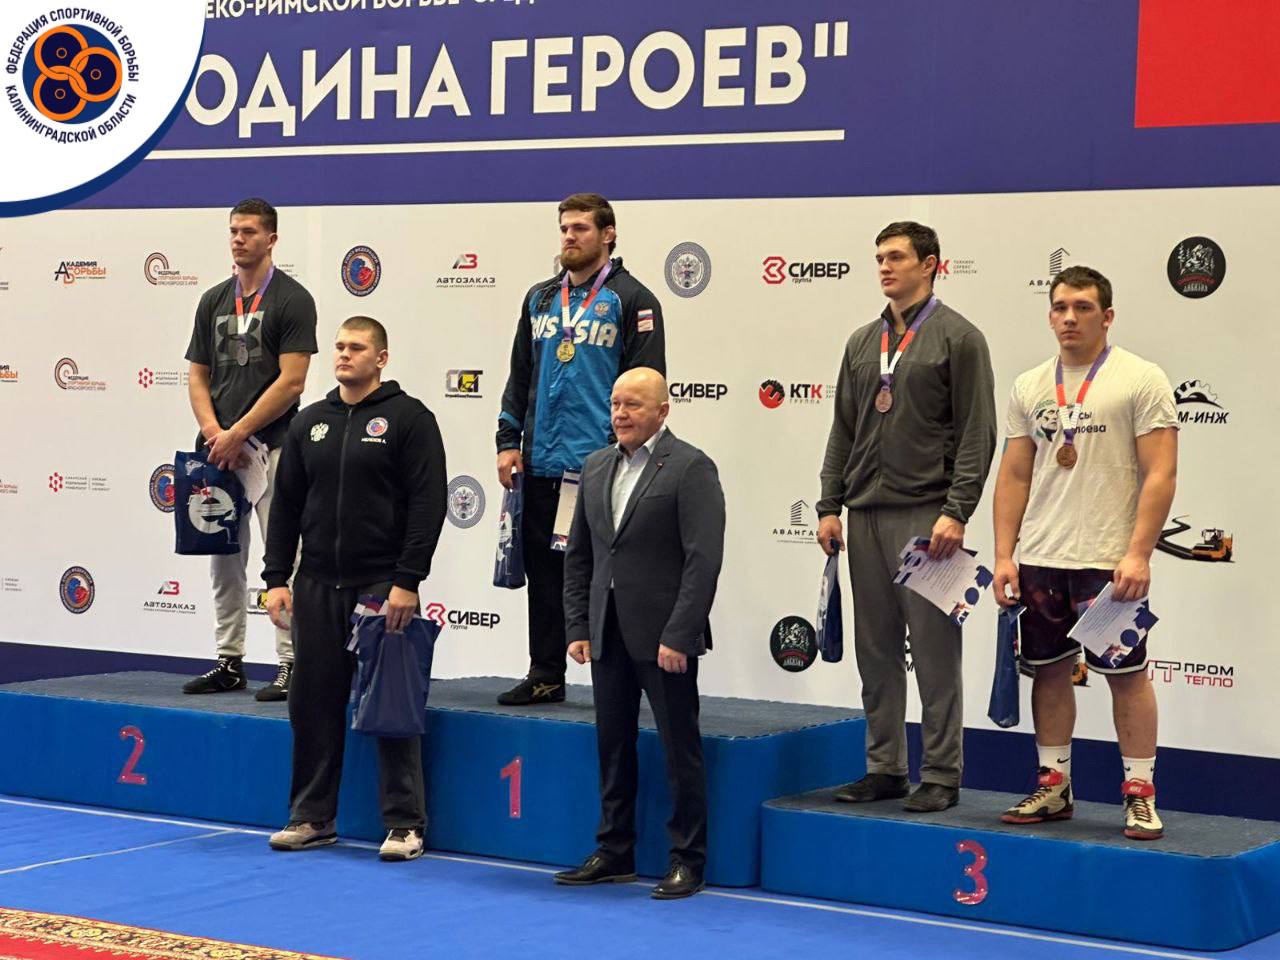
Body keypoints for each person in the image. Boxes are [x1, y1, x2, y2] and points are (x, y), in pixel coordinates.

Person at [817, 221, 996, 812]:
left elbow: (977, 433)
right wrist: (829, 503)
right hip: (864, 511)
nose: (885, 268)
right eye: (879, 258)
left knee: (935, 653)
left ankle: (941, 773)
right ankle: (885, 767)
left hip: (927, 516)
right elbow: (843, 429)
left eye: (896, 257)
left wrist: (957, 510)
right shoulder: (861, 342)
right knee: (876, 650)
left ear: (930, 264)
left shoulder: (959, 338)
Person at [992, 266, 1177, 840]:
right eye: (1060, 307)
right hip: (1042, 557)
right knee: (1048, 674)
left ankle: (1140, 793)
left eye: (1083, 307)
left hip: (1109, 562)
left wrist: (1139, 553)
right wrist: (1005, 555)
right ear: (1050, 314)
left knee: (1128, 676)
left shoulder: (1140, 378)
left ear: (1107, 316)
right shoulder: (1030, 385)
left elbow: (1161, 473)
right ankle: (1055, 786)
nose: (1069, 317)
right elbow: (1014, 475)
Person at [261, 316, 447, 861]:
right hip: (317, 583)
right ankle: (313, 817)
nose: (344, 355)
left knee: (392, 704)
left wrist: (407, 580)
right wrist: (276, 578)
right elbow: (285, 505)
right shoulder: (309, 422)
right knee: (312, 703)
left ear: (381, 358)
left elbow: (428, 504)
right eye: (339, 346)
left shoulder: (410, 419)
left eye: (357, 347)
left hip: (382, 585)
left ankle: (405, 824)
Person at [556, 368, 724, 899]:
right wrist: (579, 625)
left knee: (679, 749)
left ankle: (688, 860)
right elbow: (579, 556)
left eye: (633, 405)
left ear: (662, 411)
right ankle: (614, 851)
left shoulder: (691, 467)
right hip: (606, 632)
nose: (620, 414)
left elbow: (702, 561)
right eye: (615, 404)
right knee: (612, 746)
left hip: (665, 638)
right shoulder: (593, 466)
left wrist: (680, 633)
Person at [495, 193, 666, 706]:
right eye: (564, 229)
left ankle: (625, 678)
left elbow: (646, 386)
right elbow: (519, 375)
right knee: (544, 572)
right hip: (542, 460)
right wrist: (507, 441)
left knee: (608, 574)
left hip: (600, 466)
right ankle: (546, 672)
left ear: (608, 234)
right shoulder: (540, 298)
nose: (569, 237)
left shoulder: (633, 300)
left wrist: (626, 454)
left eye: (581, 229)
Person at [183, 198, 317, 701]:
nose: (239, 239)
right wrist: (214, 432)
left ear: (271, 239)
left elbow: (292, 381)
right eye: (234, 231)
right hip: (219, 454)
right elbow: (197, 375)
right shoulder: (213, 300)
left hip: (273, 448)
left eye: (249, 232)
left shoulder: (292, 299)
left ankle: (292, 663)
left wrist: (239, 432)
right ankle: (229, 660)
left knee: (283, 557)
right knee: (223, 560)